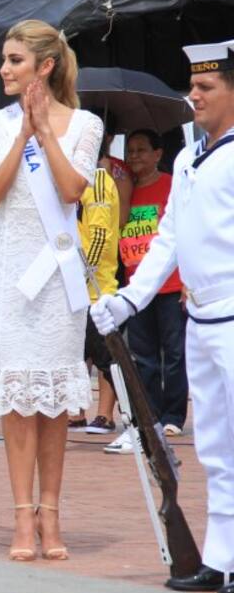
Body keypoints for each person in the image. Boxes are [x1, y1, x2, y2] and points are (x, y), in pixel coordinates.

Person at [92, 39, 234, 593]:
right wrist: (131, 298)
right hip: (200, 316)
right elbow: (168, 238)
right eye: (193, 85)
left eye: (206, 86)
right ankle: (221, 557)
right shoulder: (189, 157)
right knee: (215, 448)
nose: (194, 95)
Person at [0, 20, 103, 561]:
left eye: (16, 60)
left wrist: (46, 132)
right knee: (18, 399)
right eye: (5, 59)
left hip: (57, 278)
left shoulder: (86, 123)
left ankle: (51, 514)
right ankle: (21, 516)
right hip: (8, 274)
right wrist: (22, 135)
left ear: (45, 66)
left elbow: (73, 190)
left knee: (51, 402)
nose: (5, 69)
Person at [109, 128, 187, 449]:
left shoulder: (171, 185)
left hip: (170, 284)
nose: (134, 156)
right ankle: (150, 415)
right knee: (144, 356)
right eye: (130, 150)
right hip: (136, 287)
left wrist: (187, 280)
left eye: (142, 150)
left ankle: (173, 416)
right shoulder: (123, 188)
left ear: (158, 154)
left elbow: (183, 232)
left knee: (175, 353)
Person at [74, 163, 121, 438]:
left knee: (107, 358)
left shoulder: (98, 179)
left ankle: (107, 414)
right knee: (78, 353)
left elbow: (101, 236)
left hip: (96, 288)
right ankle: (77, 411)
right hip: (77, 290)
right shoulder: (73, 179)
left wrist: (82, 276)